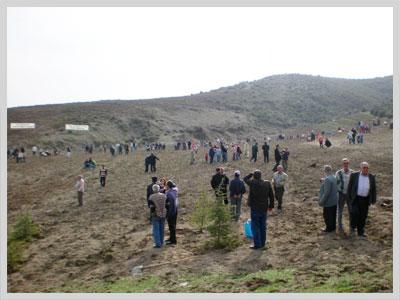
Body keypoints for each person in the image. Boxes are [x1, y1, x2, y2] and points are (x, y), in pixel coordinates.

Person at [243, 170, 274, 249]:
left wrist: (251, 173)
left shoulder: (252, 183)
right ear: (261, 176)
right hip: (264, 208)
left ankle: (257, 244)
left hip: (255, 208)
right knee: (263, 226)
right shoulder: (267, 183)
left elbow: (245, 179)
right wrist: (271, 206)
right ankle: (263, 243)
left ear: (254, 176)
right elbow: (271, 196)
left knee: (255, 227)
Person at [347, 162, 377, 238]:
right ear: (360, 168)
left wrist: (373, 199)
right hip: (356, 198)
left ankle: (360, 231)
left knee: (363, 216)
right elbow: (349, 187)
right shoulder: (354, 175)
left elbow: (373, 189)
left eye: (367, 168)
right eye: (364, 167)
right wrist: (349, 198)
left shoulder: (371, 177)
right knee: (354, 213)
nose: (366, 169)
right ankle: (352, 228)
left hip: (365, 200)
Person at [335, 158, 353, 234]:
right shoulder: (338, 173)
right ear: (342, 164)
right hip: (341, 194)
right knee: (340, 210)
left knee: (351, 211)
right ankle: (340, 226)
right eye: (344, 163)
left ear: (348, 164)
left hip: (349, 195)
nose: (346, 164)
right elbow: (336, 183)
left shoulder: (352, 172)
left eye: (347, 163)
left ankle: (352, 226)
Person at [318, 165, 338, 233]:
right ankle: (333, 228)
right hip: (334, 200)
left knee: (327, 215)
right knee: (333, 215)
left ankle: (328, 229)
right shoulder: (334, 177)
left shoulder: (327, 179)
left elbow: (326, 193)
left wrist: (321, 201)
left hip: (328, 202)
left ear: (325, 171)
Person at [165, 180, 179, 245]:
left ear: (168, 186)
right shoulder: (174, 191)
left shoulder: (169, 194)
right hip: (175, 210)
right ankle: (171, 238)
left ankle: (173, 240)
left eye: (166, 185)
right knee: (173, 226)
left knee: (171, 227)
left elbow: (171, 205)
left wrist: (169, 214)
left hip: (172, 212)